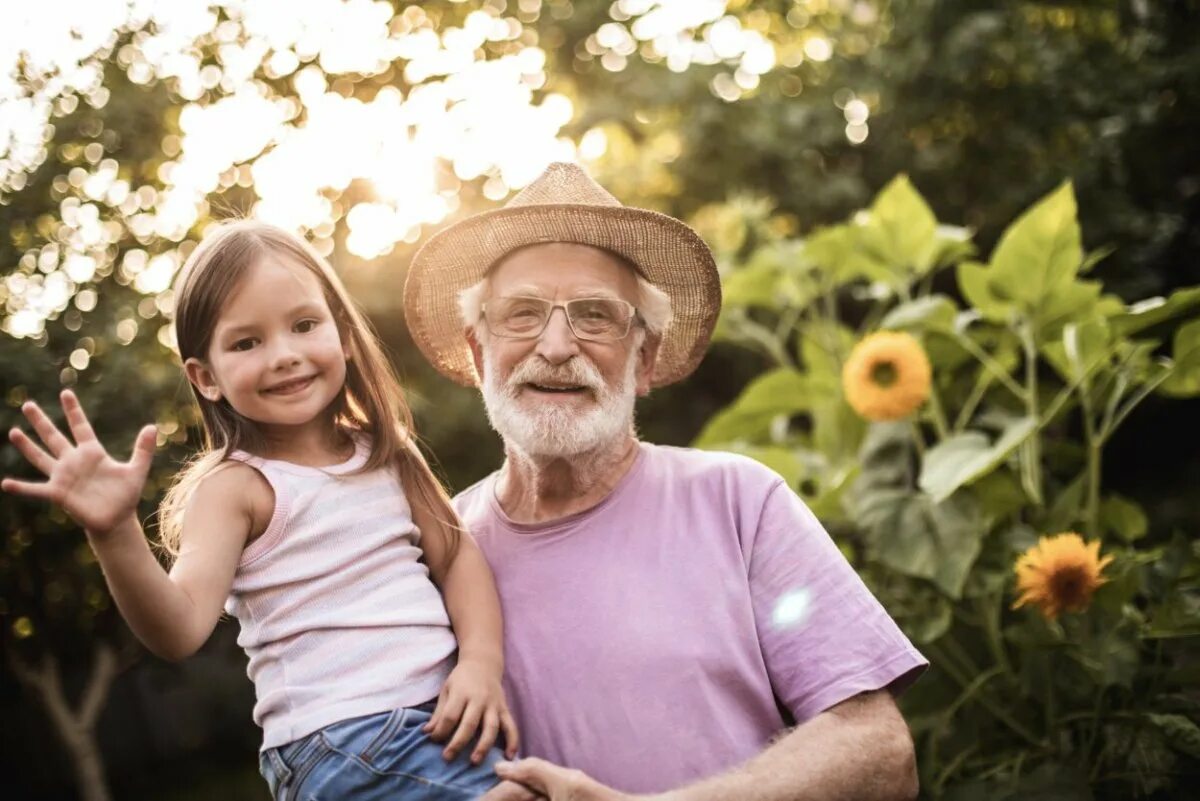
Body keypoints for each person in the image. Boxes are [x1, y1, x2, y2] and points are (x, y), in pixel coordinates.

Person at [403, 162, 929, 801]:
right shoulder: (435, 550)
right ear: (479, 354)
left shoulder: (738, 502)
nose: (558, 346)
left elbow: (880, 749)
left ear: (644, 358)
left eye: (596, 316)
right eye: (521, 313)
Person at [2, 221, 519, 800]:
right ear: (207, 378)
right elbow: (179, 630)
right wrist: (115, 531)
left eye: (304, 326)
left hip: (440, 717)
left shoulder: (387, 453)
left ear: (343, 334)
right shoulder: (237, 488)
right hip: (345, 741)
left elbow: (457, 560)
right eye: (247, 343)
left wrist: (480, 662)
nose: (285, 356)